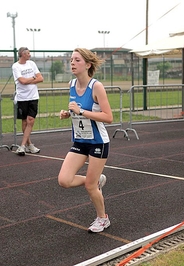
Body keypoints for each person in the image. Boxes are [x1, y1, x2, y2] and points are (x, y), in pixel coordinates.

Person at [58, 48, 113, 233]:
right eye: (71, 60)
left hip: (98, 142)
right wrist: (68, 114)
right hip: (80, 141)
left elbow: (108, 117)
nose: (72, 63)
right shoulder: (71, 84)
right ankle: (96, 181)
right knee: (64, 180)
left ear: (88, 65)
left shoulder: (96, 87)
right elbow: (76, 110)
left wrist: (81, 111)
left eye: (77, 60)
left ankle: (102, 219)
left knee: (90, 186)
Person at [12, 47, 43, 156]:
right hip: (22, 98)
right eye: (28, 53)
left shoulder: (32, 64)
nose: (29, 55)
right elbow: (22, 81)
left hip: (33, 97)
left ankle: (22, 146)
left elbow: (40, 78)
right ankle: (29, 145)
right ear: (22, 54)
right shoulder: (15, 66)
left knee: (31, 120)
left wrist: (30, 80)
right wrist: (33, 79)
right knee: (25, 121)